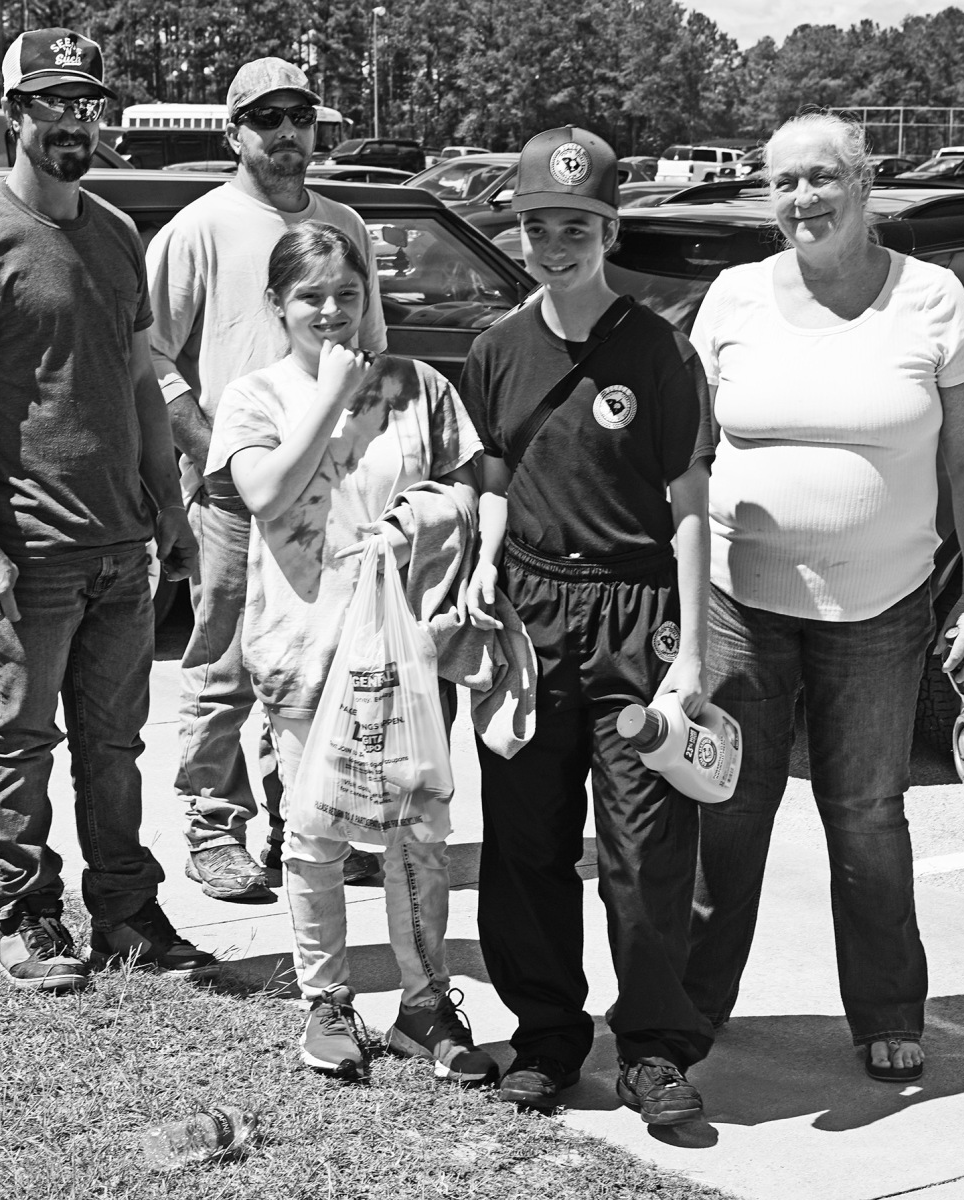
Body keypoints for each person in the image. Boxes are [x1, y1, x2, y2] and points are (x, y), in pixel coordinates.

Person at [684, 113, 964, 1082]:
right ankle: (688, 1007)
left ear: (864, 184)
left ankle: (887, 1010)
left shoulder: (932, 298)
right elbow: (688, 457)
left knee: (865, 810)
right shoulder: (733, 297)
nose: (802, 199)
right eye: (783, 182)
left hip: (882, 606)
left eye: (821, 177)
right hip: (739, 601)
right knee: (727, 806)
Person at [0, 28, 216, 993]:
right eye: (52, 103)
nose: (73, 122)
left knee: (115, 746)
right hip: (30, 550)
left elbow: (139, 385)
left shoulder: (117, 233)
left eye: (86, 103)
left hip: (122, 546)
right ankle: (26, 913)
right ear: (13, 113)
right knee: (23, 739)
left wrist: (168, 507)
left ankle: (126, 913)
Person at [462, 126, 717, 1124]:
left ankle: (652, 1048)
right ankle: (546, 1039)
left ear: (610, 231)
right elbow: (494, 478)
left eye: (576, 226)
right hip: (529, 617)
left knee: (644, 850)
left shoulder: (660, 351)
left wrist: (692, 652)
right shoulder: (496, 349)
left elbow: (688, 505)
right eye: (538, 226)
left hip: (636, 617)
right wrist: (484, 567)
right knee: (524, 840)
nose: (555, 245)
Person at [205, 221, 495, 1084]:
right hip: (305, 653)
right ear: (276, 304)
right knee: (314, 836)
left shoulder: (420, 386)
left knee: (417, 834)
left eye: (347, 293)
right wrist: (330, 393)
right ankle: (326, 1003)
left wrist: (425, 521)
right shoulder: (255, 397)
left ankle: (425, 1005)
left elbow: (469, 487)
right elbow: (264, 493)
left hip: (407, 654)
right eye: (311, 297)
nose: (332, 311)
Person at [147, 58, 387, 902]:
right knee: (226, 664)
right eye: (266, 118)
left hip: (328, 493)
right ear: (234, 133)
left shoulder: (344, 224)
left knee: (321, 659)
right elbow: (151, 358)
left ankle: (308, 821)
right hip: (231, 488)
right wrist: (214, 450)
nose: (286, 132)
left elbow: (371, 351)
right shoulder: (198, 229)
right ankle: (214, 827)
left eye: (300, 117)